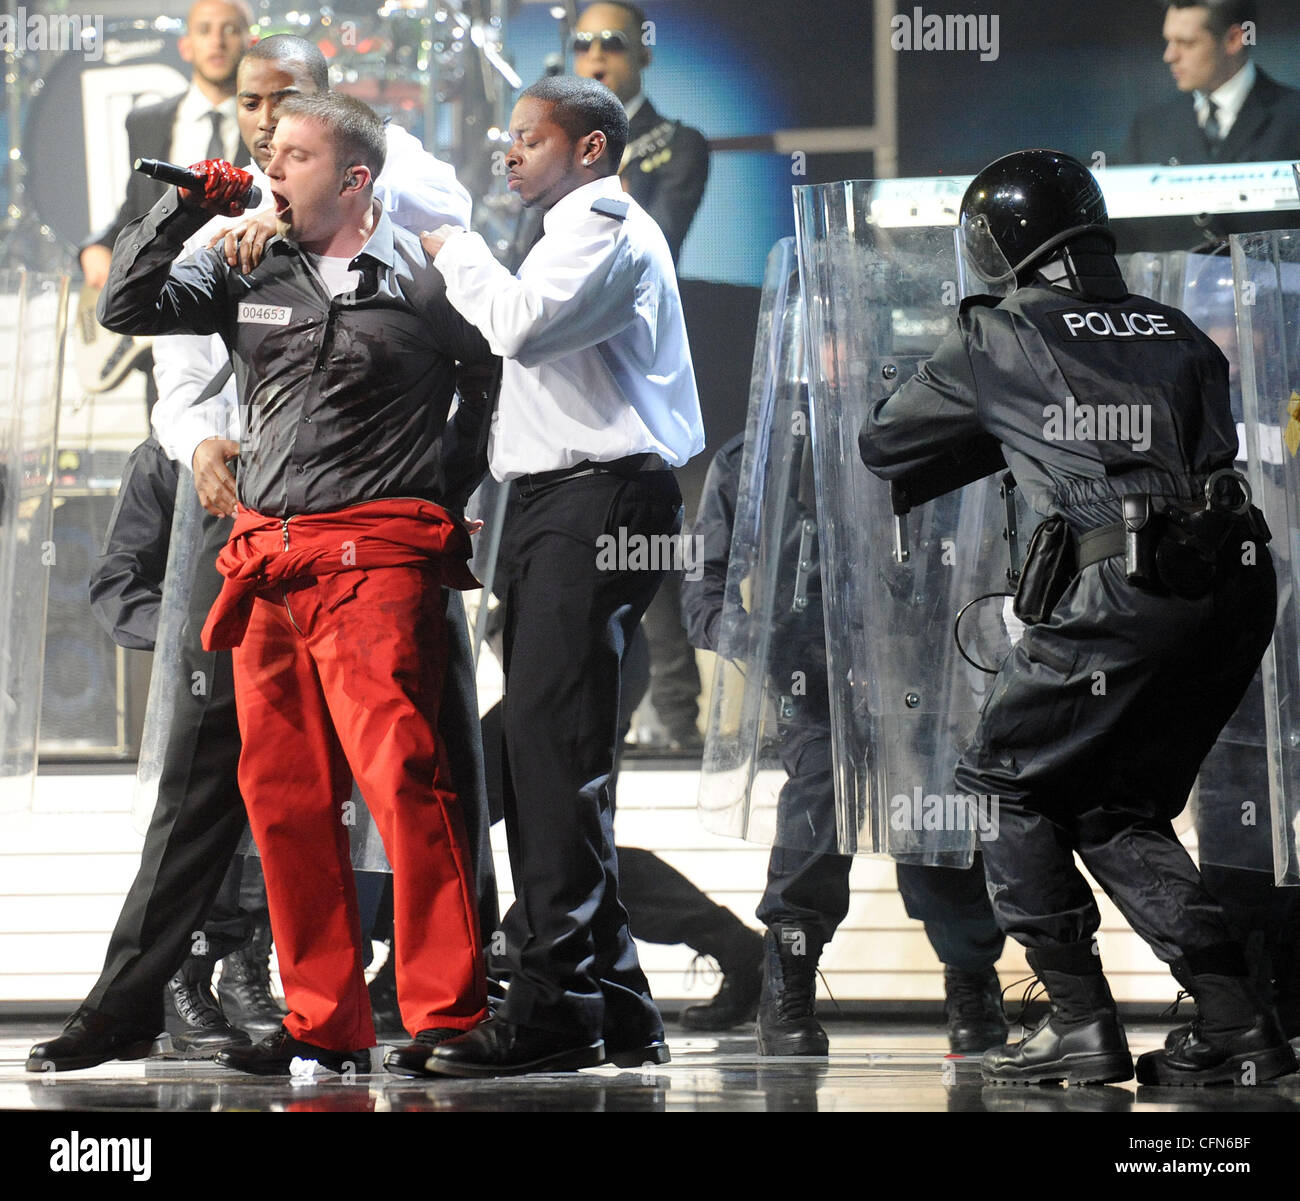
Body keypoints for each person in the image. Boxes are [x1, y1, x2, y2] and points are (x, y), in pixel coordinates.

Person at [33, 91, 494, 1079]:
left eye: (293, 155)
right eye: (267, 154)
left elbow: (485, 377)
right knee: (282, 797)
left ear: (356, 178)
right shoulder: (251, 263)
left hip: (372, 559)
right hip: (266, 560)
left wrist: (437, 493)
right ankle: (323, 1017)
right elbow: (125, 306)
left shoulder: (421, 274)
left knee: (407, 782)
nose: (270, 169)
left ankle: (447, 1012)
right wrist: (190, 206)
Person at [857, 148, 1296, 1086]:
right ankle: (1238, 1019)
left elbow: (886, 440)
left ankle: (1078, 1022)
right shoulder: (1176, 327)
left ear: (993, 243)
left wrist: (984, 399)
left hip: (1120, 592)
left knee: (1005, 783)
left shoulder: (1000, 329)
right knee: (1107, 802)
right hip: (1234, 588)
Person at [417, 74, 705, 1077]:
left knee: (550, 756)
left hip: (598, 504)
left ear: (588, 149)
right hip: (565, 506)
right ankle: (616, 1000)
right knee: (554, 751)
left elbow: (518, 325)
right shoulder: (572, 227)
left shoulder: (602, 222)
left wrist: (452, 243)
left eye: (530, 140)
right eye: (508, 138)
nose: (508, 153)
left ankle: (552, 1005)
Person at [683, 433, 1007, 1056]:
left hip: (923, 653)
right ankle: (789, 989)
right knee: (819, 808)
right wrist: (744, 632)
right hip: (812, 665)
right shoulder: (760, 452)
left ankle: (970, 981)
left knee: (935, 814)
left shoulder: (924, 427)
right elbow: (705, 574)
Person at [80, 0, 253, 291]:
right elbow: (138, 208)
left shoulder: (272, 124)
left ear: (252, 43)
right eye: (204, 30)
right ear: (186, 46)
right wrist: (98, 246)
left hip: (245, 288)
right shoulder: (145, 122)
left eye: (231, 30)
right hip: (164, 292)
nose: (217, 42)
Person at [1124, 1, 1300, 166]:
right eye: (1168, 41)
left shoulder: (1293, 117)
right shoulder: (1149, 129)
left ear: (1234, 39)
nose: (1169, 56)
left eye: (1186, 43)